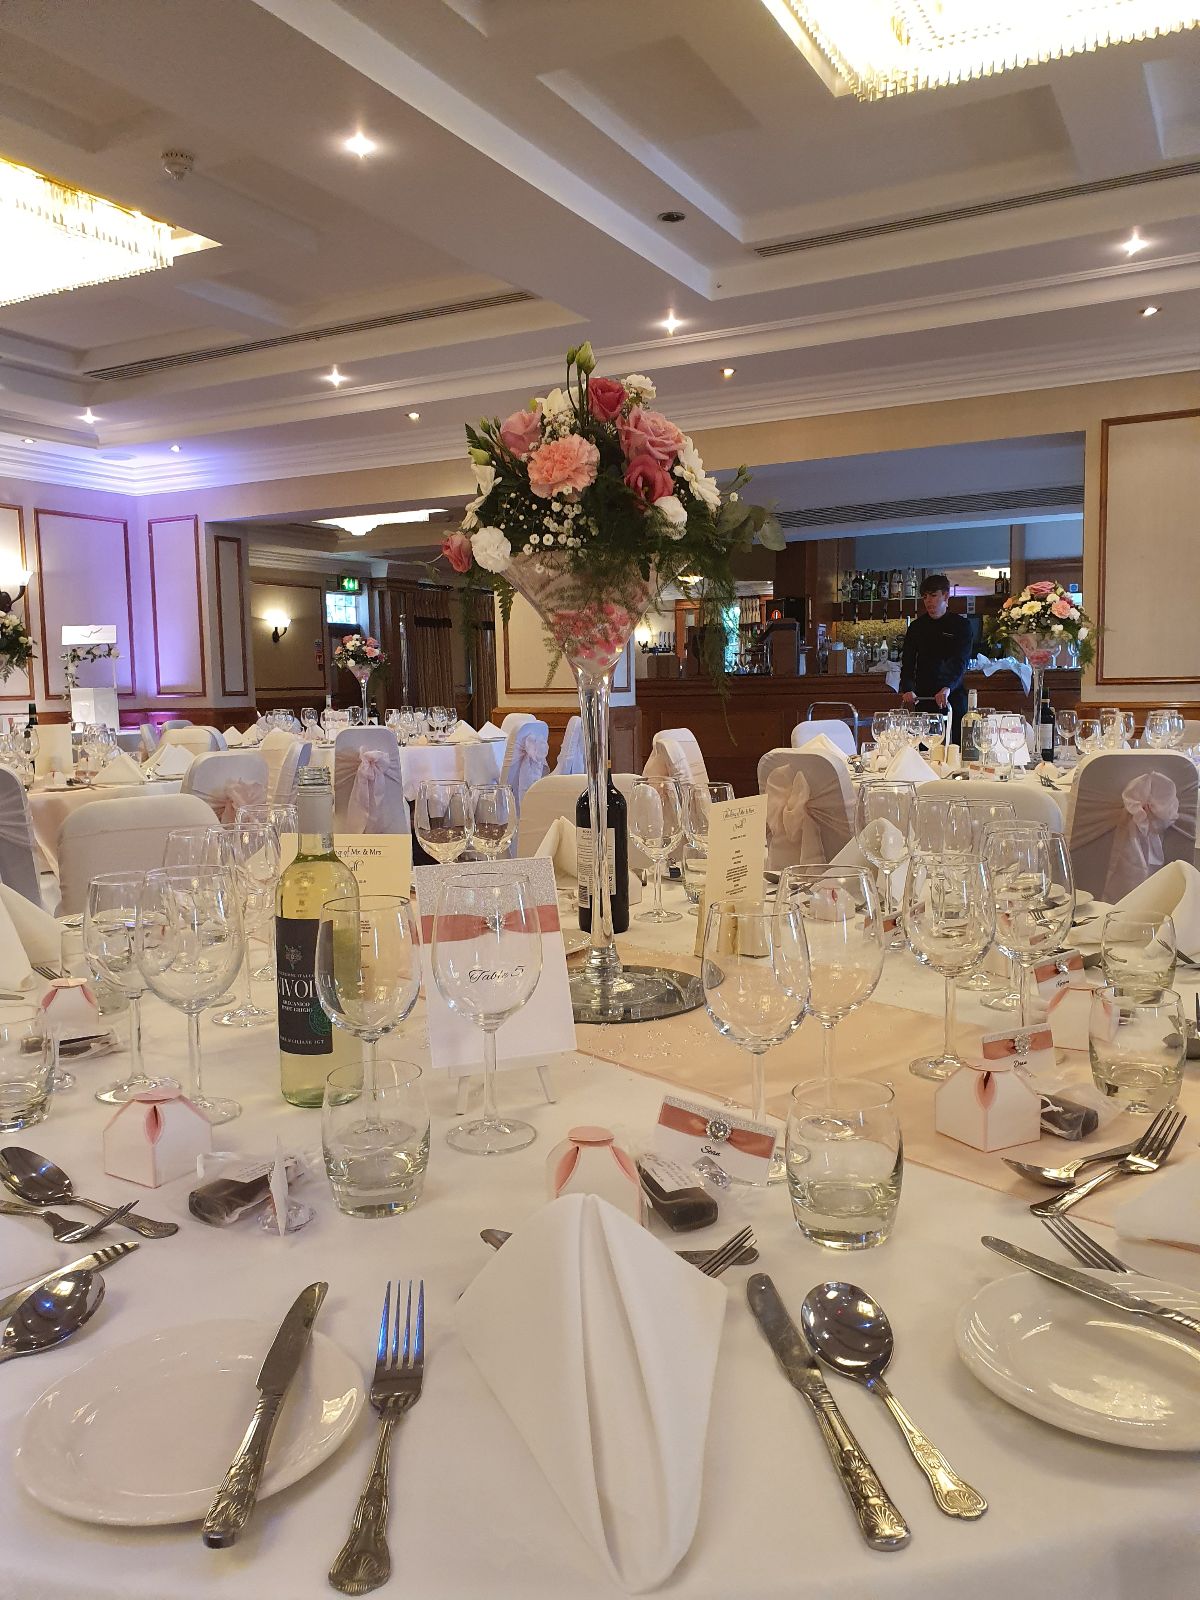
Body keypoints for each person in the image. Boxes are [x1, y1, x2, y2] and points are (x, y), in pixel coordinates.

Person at [899, 574, 973, 744]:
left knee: (955, 747)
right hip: (923, 698)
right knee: (924, 748)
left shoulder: (961, 625)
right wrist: (908, 688)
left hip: (952, 696)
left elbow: (960, 662)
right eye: (925, 597)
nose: (928, 601)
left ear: (946, 596)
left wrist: (948, 687)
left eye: (933, 595)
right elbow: (908, 662)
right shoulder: (916, 627)